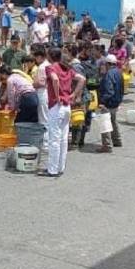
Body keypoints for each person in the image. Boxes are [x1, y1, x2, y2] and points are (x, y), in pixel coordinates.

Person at [42, 48, 84, 177]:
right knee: (63, 138)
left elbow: (54, 80)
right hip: (67, 106)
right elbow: (82, 79)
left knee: (54, 138)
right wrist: (74, 94)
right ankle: (61, 167)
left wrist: (56, 95)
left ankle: (52, 169)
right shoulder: (68, 69)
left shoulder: (51, 68)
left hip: (56, 105)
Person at [97, 55, 123, 152]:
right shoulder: (119, 72)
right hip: (116, 101)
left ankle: (107, 145)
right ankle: (117, 140)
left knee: (105, 122)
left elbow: (109, 91)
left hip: (109, 102)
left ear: (107, 64)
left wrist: (102, 102)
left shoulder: (108, 75)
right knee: (113, 121)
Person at [32, 45, 50, 130]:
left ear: (39, 56)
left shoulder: (42, 67)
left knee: (43, 117)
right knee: (47, 115)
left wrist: (32, 84)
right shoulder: (49, 65)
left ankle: (45, 140)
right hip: (47, 92)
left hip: (42, 92)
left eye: (35, 57)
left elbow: (41, 82)